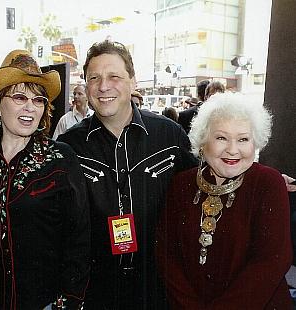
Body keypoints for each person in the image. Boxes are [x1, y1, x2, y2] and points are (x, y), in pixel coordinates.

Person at [57, 40, 197, 309]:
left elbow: (203, 186)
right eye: (94, 78)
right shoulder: (70, 146)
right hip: (96, 290)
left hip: (158, 288)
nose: (103, 86)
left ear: (132, 82)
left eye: (114, 77)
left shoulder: (169, 135)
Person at [0, 49, 90, 309]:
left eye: (38, 100)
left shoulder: (60, 158)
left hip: (46, 303)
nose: (30, 107)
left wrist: (70, 299)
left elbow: (79, 237)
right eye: (19, 97)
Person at [156, 92, 292, 309]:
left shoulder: (268, 183)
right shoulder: (181, 183)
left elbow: (271, 261)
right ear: (203, 140)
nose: (232, 149)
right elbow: (166, 255)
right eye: (221, 138)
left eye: (243, 139)